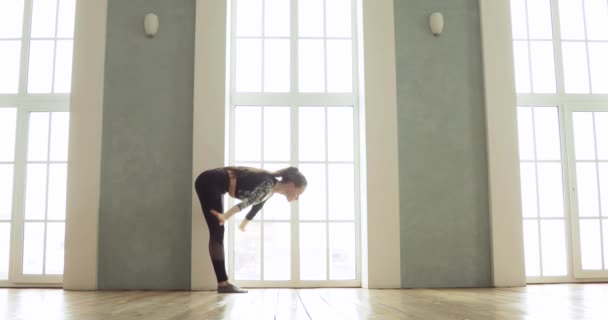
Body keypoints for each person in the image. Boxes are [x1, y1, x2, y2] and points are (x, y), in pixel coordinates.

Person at [194, 166, 307, 293]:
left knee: (218, 232)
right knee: (217, 232)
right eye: (298, 194)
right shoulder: (268, 185)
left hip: (213, 183)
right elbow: (247, 202)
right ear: (291, 186)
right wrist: (225, 216)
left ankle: (223, 283)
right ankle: (223, 284)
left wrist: (243, 224)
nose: (297, 198)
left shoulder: (270, 190)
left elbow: (255, 208)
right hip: (209, 181)